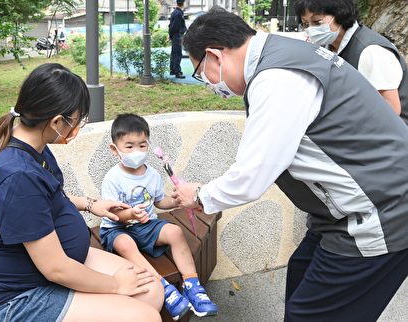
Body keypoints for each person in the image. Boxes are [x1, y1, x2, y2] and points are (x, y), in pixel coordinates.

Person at [174, 7, 408, 322]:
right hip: (343, 214)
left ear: (215, 55)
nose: (208, 84)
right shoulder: (286, 54)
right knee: (300, 276)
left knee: (308, 314)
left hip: (380, 215)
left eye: (201, 73)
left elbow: (252, 176)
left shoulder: (277, 78)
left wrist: (199, 195)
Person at [0, 63, 163, 322]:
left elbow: (48, 202)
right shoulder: (16, 175)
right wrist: (114, 284)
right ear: (56, 122)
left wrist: (92, 205)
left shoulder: (34, 145)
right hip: (16, 297)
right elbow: (55, 268)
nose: (77, 128)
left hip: (50, 267)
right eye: (77, 120)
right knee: (144, 316)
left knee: (150, 291)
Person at [100, 113, 218, 320]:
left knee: (174, 231)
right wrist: (130, 213)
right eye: (129, 146)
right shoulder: (112, 178)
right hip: (117, 228)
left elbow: (158, 202)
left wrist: (176, 200)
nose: (136, 151)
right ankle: (164, 288)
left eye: (142, 145)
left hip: (146, 225)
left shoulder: (153, 174)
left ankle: (192, 286)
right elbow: (112, 213)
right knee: (126, 244)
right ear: (114, 149)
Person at [294, 0, 408, 119]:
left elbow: (391, 109)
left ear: (340, 14)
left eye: (317, 22)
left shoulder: (370, 51)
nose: (311, 29)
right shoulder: (328, 47)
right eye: (306, 24)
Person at [168, 0, 187, 79]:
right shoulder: (178, 13)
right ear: (183, 3)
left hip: (175, 35)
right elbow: (175, 26)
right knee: (177, 54)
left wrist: (170, 35)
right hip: (177, 35)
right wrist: (171, 35)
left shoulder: (174, 12)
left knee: (174, 53)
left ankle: (173, 70)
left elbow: (171, 25)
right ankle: (177, 72)